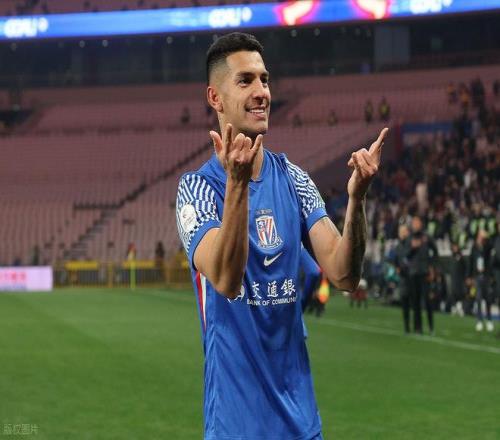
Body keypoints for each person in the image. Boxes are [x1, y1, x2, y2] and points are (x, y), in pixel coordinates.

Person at [175, 32, 387, 440]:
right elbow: (226, 279)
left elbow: (344, 275)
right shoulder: (197, 189)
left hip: (302, 424)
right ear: (215, 98)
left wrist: (357, 199)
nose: (262, 92)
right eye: (245, 80)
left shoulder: (294, 179)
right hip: (236, 427)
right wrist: (237, 185)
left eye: (265, 79)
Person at [407, 215, 438, 334]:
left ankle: (431, 327)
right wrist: (412, 248)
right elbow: (406, 255)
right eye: (413, 223)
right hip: (413, 273)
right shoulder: (410, 238)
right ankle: (417, 327)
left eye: (417, 222)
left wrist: (432, 267)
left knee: (428, 300)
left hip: (425, 273)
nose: (415, 225)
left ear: (421, 224)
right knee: (415, 302)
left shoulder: (426, 237)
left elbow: (435, 251)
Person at [467, 229, 494, 332]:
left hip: (486, 275)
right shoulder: (474, 247)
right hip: (477, 276)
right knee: (478, 298)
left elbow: (490, 248)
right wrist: (469, 276)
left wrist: (486, 238)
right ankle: (479, 320)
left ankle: (489, 319)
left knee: (488, 299)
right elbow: (470, 261)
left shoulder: (487, 246)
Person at [394, 224, 411, 333]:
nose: (402, 234)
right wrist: (397, 268)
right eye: (400, 232)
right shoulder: (398, 247)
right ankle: (407, 326)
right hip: (404, 277)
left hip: (412, 276)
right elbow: (396, 260)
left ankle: (417, 326)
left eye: (404, 231)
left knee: (414, 301)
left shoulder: (410, 245)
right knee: (405, 301)